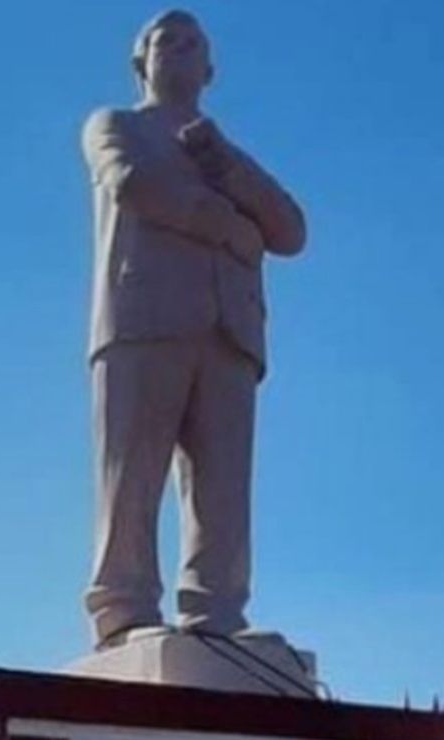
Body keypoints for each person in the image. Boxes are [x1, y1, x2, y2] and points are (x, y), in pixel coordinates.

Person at [80, 9, 305, 650]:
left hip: (229, 334)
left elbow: (290, 230)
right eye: (164, 41)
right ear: (140, 63)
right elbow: (132, 183)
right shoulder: (115, 124)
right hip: (142, 321)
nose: (177, 51)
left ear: (209, 69)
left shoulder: (223, 152)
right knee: (131, 474)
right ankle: (122, 608)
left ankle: (217, 612)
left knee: (223, 487)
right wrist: (227, 225)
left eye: (191, 44)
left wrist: (225, 169)